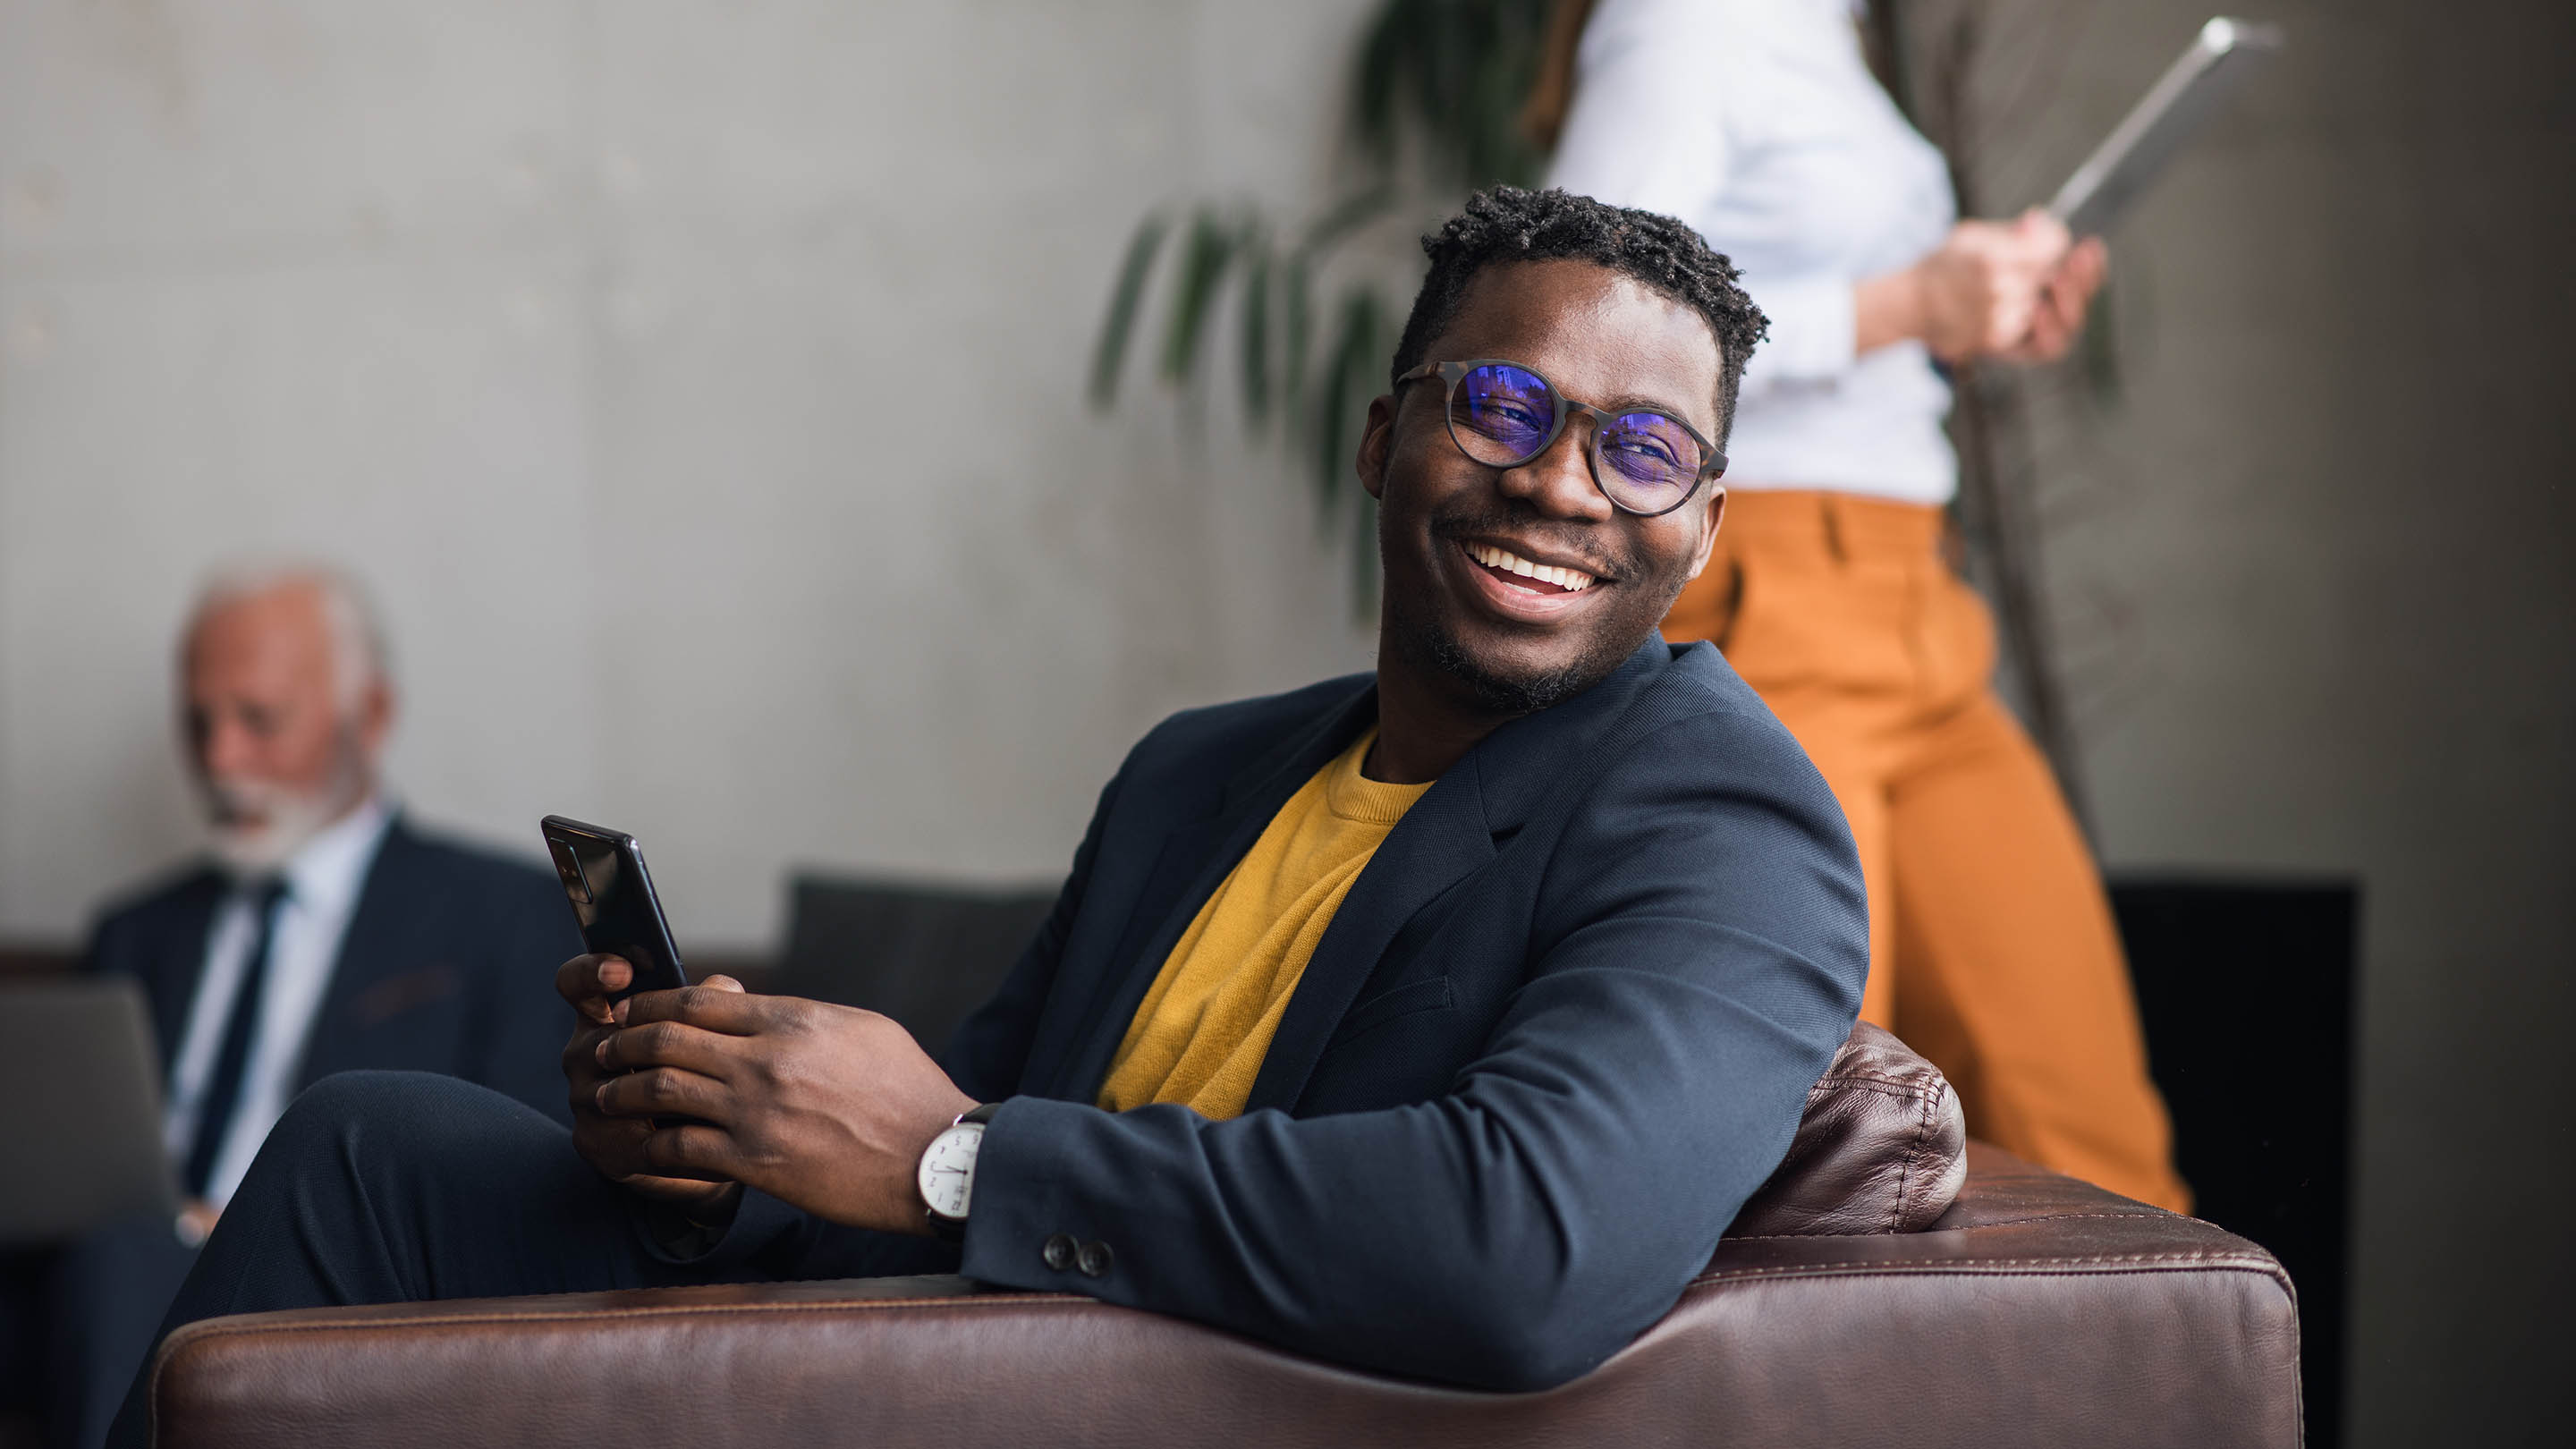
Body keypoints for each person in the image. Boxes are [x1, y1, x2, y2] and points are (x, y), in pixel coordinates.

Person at [110, 188, 1865, 1440]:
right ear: (1380, 439)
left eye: (1644, 451)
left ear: (1701, 527)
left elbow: (1528, 1245)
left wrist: (962, 1158)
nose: (1562, 480)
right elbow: (905, 1169)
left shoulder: (1717, 812)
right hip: (983, 1336)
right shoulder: (1208, 774)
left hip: (1193, 1392)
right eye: (1503, 405)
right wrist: (715, 1145)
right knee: (365, 1144)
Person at [1534, 0, 2187, 1209]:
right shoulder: (1685, 23)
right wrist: (1905, 308)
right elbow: (1587, 324)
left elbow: (1805, 313)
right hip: (1773, 595)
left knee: (2093, 1129)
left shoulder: (1823, 27)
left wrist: (1965, 322)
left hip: (1914, 602)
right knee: (1822, 1146)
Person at [55, 564, 578, 1449]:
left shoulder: (502, 915)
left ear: (368, 716)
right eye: (200, 723)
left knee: (123, 1263)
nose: (221, 761)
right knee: (113, 1260)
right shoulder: (134, 933)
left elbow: (530, 1175)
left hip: (336, 1295)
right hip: (115, 1280)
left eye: (258, 719)